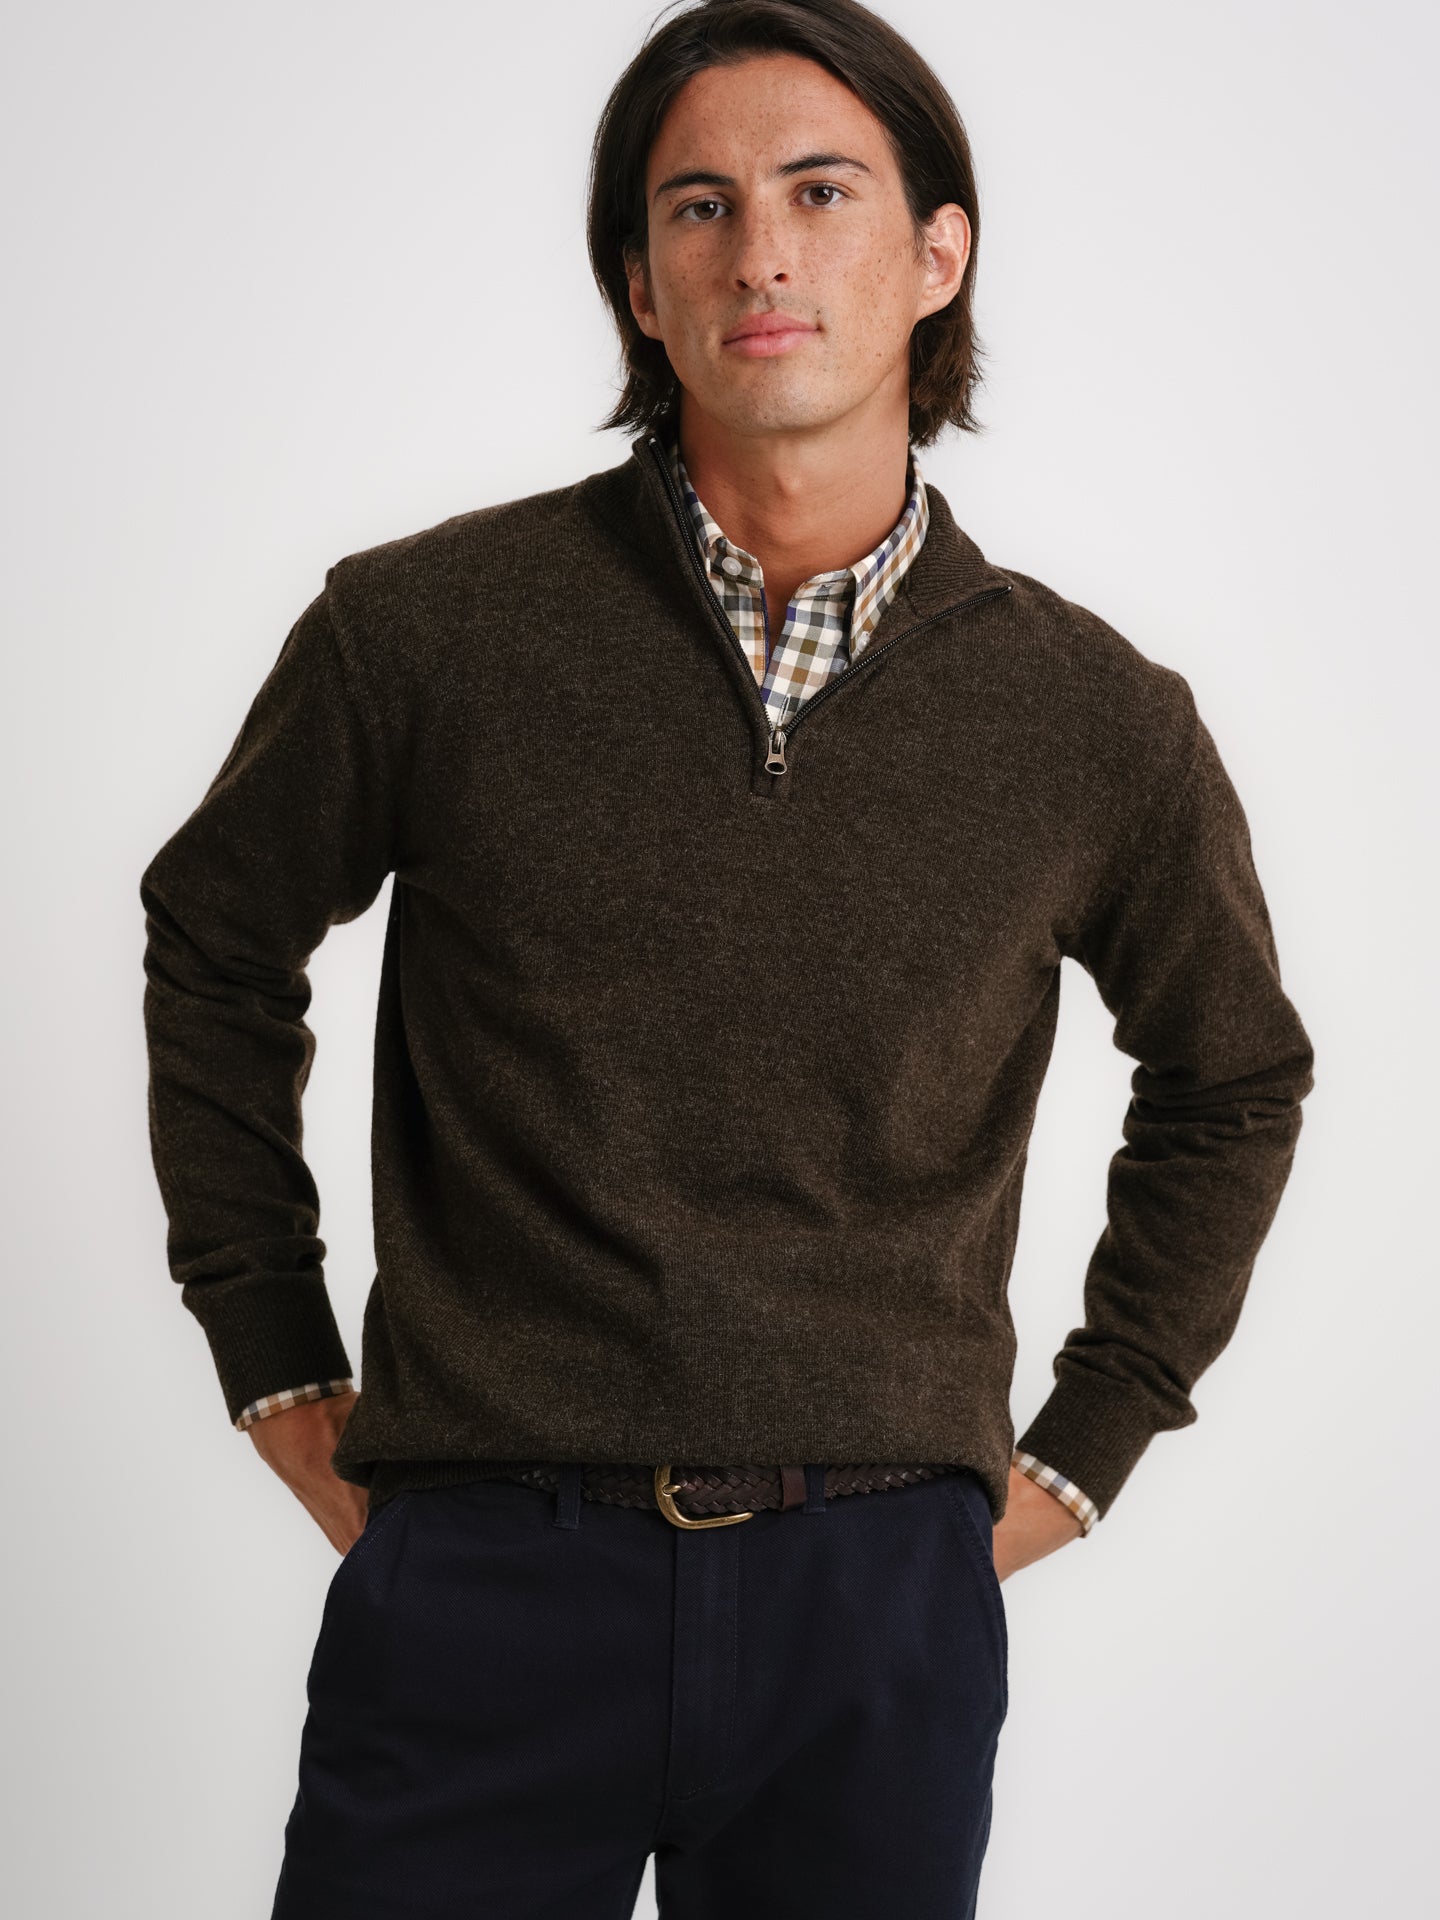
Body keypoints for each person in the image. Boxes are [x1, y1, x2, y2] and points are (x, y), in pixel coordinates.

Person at [138, 2, 1315, 1913]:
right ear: (640, 281)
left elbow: (1235, 1078)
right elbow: (214, 942)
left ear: (938, 255)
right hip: (485, 1576)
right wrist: (270, 1353)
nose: (760, 252)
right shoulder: (423, 634)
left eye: (820, 193)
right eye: (699, 206)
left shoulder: (1097, 718)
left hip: (878, 1601)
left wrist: (1089, 1441)